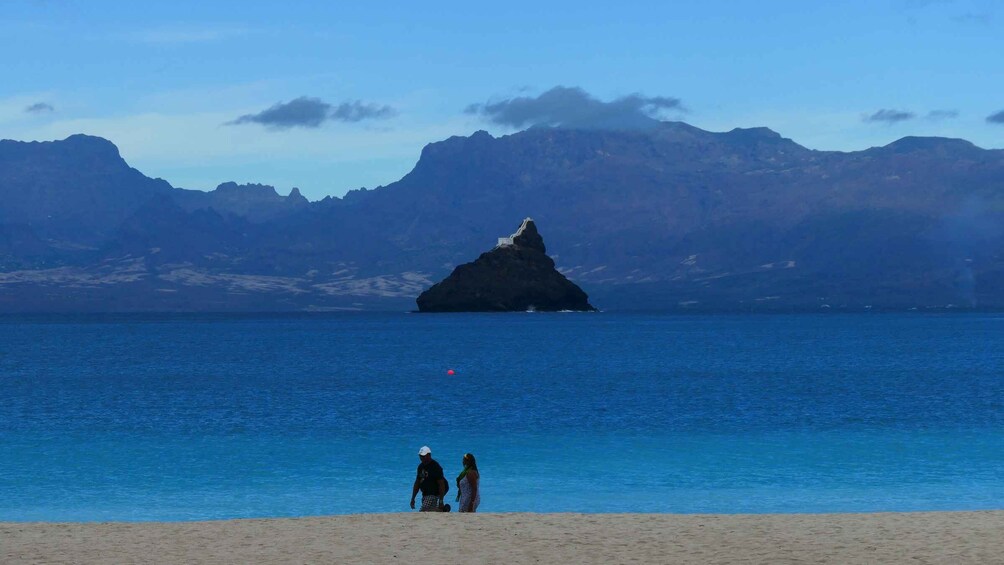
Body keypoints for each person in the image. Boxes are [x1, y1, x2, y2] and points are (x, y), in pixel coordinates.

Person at [411, 445, 448, 512]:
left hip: (434, 494)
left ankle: (442, 509)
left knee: (423, 511)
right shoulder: (420, 467)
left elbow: (441, 484)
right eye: (420, 456)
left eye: (423, 456)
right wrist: (413, 498)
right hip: (425, 494)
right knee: (431, 511)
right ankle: (444, 509)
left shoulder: (435, 467)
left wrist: (441, 500)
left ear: (429, 455)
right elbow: (417, 483)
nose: (421, 458)